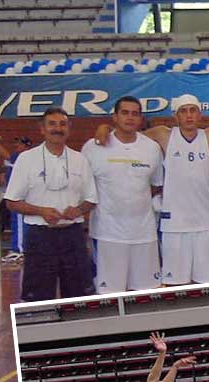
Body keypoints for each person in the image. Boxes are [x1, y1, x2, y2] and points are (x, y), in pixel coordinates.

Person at [95, 94, 209, 287]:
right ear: (175, 116)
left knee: (208, 283)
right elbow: (127, 135)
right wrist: (105, 128)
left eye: (193, 110)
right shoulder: (163, 134)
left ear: (200, 114)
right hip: (174, 225)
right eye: (183, 111)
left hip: (204, 223)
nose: (188, 116)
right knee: (173, 284)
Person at [5, 107, 98, 301]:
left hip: (73, 236)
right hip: (40, 237)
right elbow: (12, 201)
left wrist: (78, 209)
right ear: (42, 129)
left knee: (78, 297)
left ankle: (76, 332)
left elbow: (91, 199)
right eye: (52, 124)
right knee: (38, 298)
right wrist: (41, 211)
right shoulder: (26, 159)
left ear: (69, 128)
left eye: (62, 124)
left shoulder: (80, 159)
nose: (58, 129)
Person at [82, 96, 164, 293]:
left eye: (135, 113)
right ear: (114, 117)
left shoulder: (151, 148)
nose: (130, 118)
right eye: (125, 113)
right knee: (107, 294)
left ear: (141, 119)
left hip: (144, 234)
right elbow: (84, 188)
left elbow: (156, 184)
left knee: (146, 293)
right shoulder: (93, 147)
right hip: (107, 234)